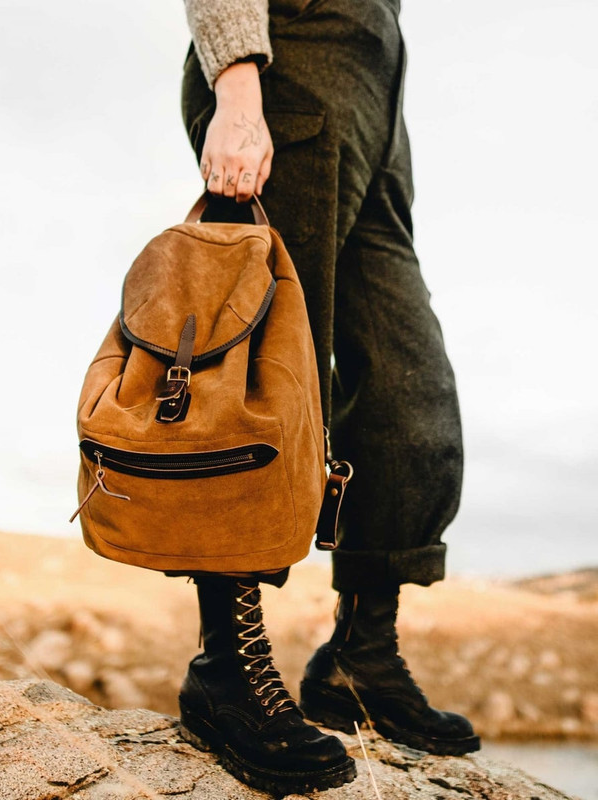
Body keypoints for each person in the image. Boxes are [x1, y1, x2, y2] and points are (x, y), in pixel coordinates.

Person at [177, 0, 481, 793]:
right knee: (262, 379)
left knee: (409, 398)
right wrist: (237, 90)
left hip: (379, 113)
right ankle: (227, 664)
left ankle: (360, 657)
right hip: (287, 81)